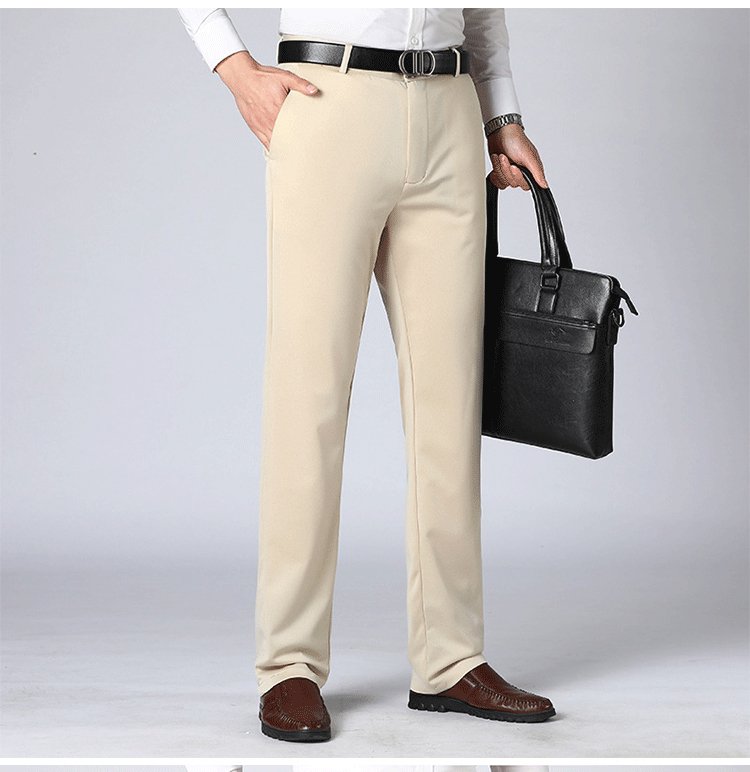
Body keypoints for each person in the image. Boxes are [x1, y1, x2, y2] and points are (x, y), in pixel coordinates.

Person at [177, 8, 554, 743]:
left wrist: (502, 117)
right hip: (331, 102)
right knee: (309, 395)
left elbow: (482, 16)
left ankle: (450, 658)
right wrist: (234, 69)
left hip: (450, 113)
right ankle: (288, 662)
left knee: (451, 401)